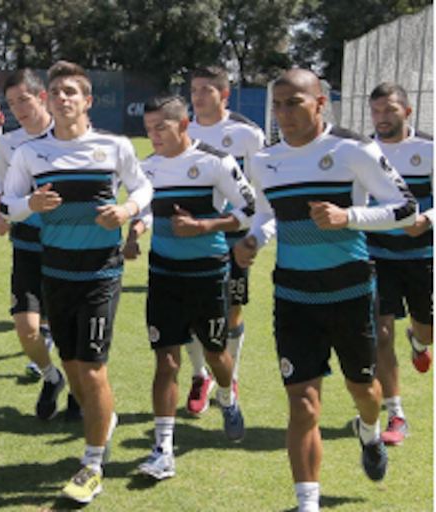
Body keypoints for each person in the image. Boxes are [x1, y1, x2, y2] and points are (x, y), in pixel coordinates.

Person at [234, 69, 417, 512]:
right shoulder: (263, 160)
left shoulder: (352, 149)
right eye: (277, 104)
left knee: (365, 392)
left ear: (320, 102)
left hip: (350, 292)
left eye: (293, 102)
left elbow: (406, 208)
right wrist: (255, 239)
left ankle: (370, 432)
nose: (283, 113)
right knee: (303, 404)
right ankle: (307, 503)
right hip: (294, 297)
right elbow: (264, 213)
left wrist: (348, 216)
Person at [1, 61, 153, 503]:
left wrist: (127, 211)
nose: (62, 97)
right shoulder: (30, 153)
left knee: (91, 367)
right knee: (73, 369)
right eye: (55, 92)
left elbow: (145, 189)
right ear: (47, 100)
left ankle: (91, 465)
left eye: (71, 91)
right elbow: (9, 205)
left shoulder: (113, 146)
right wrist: (30, 202)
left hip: (101, 272)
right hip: (55, 271)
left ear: (87, 101)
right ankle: (102, 421)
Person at [126, 95, 252, 479]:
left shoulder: (214, 161)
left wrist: (204, 226)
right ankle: (163, 449)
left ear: (183, 125)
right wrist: (135, 231)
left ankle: (227, 396)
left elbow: (251, 210)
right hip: (163, 275)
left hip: (209, 275)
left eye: (160, 128)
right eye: (148, 129)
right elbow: (144, 207)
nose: (153, 136)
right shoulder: (145, 167)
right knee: (166, 361)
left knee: (216, 353)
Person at [0, 68, 79, 420]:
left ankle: (79, 390)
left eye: (24, 100)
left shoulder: (66, 135)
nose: (18, 109)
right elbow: (2, 190)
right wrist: (2, 211)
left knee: (68, 329)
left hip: (67, 245)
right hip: (26, 245)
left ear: (42, 97)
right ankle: (51, 376)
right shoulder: (9, 144)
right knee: (27, 330)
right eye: (12, 103)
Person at [184, 66, 266, 415]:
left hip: (233, 232)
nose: (198, 96)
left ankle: (228, 375)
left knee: (231, 309)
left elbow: (262, 192)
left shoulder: (248, 134)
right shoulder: (182, 128)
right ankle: (199, 374)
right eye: (194, 90)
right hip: (190, 231)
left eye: (207, 90)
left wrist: (254, 236)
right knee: (189, 310)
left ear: (224, 94)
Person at [366, 83, 433, 446]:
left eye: (389, 110)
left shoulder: (428, 148)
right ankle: (396, 412)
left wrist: (428, 220)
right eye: (376, 111)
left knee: (426, 329)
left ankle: (419, 343)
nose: (381, 118)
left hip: (422, 255)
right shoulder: (364, 151)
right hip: (376, 255)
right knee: (381, 333)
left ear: (406, 113)